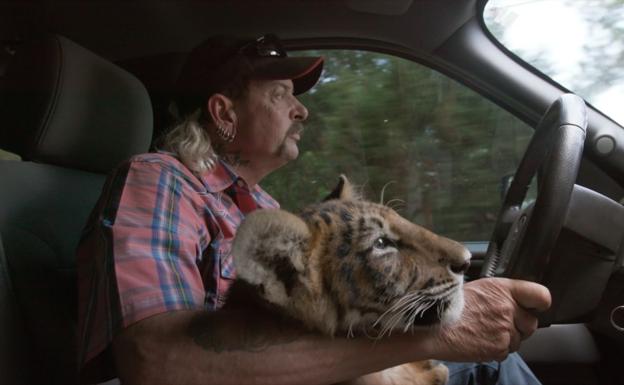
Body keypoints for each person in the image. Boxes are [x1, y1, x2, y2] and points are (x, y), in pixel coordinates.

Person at [76, 34, 551, 385]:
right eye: (280, 94)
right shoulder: (160, 179)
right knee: (493, 366)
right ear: (223, 113)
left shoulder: (261, 203)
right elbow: (157, 361)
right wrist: (435, 337)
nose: (301, 110)